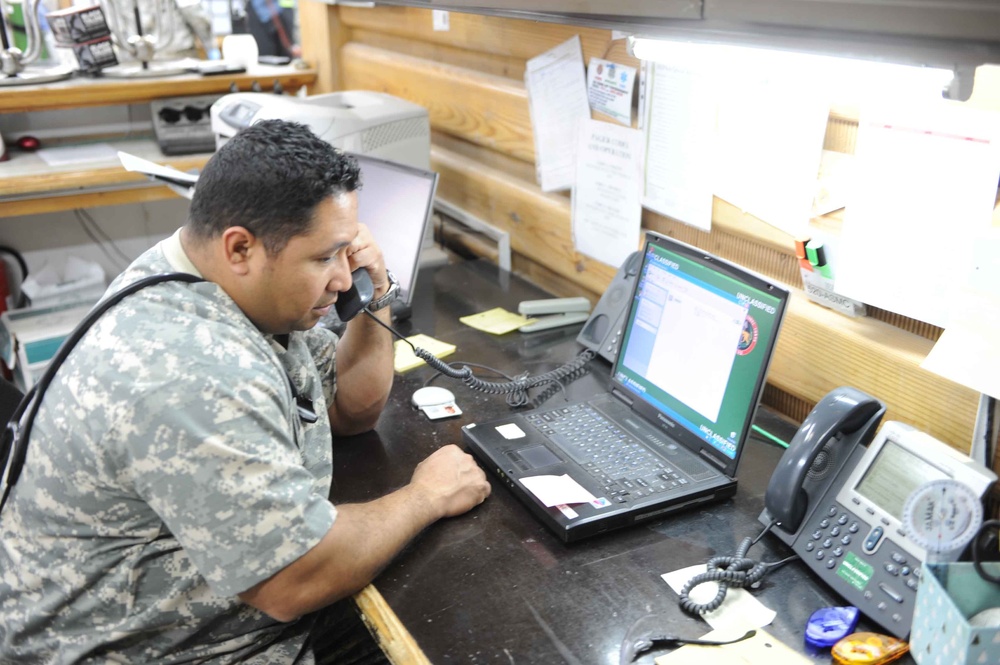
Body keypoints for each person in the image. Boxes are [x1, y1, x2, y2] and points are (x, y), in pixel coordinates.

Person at [0, 119, 491, 662]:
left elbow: (350, 410)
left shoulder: (221, 284)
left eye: (345, 254)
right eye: (325, 257)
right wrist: (425, 497)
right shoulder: (189, 367)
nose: (342, 280)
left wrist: (377, 294)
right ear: (240, 248)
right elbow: (295, 579)